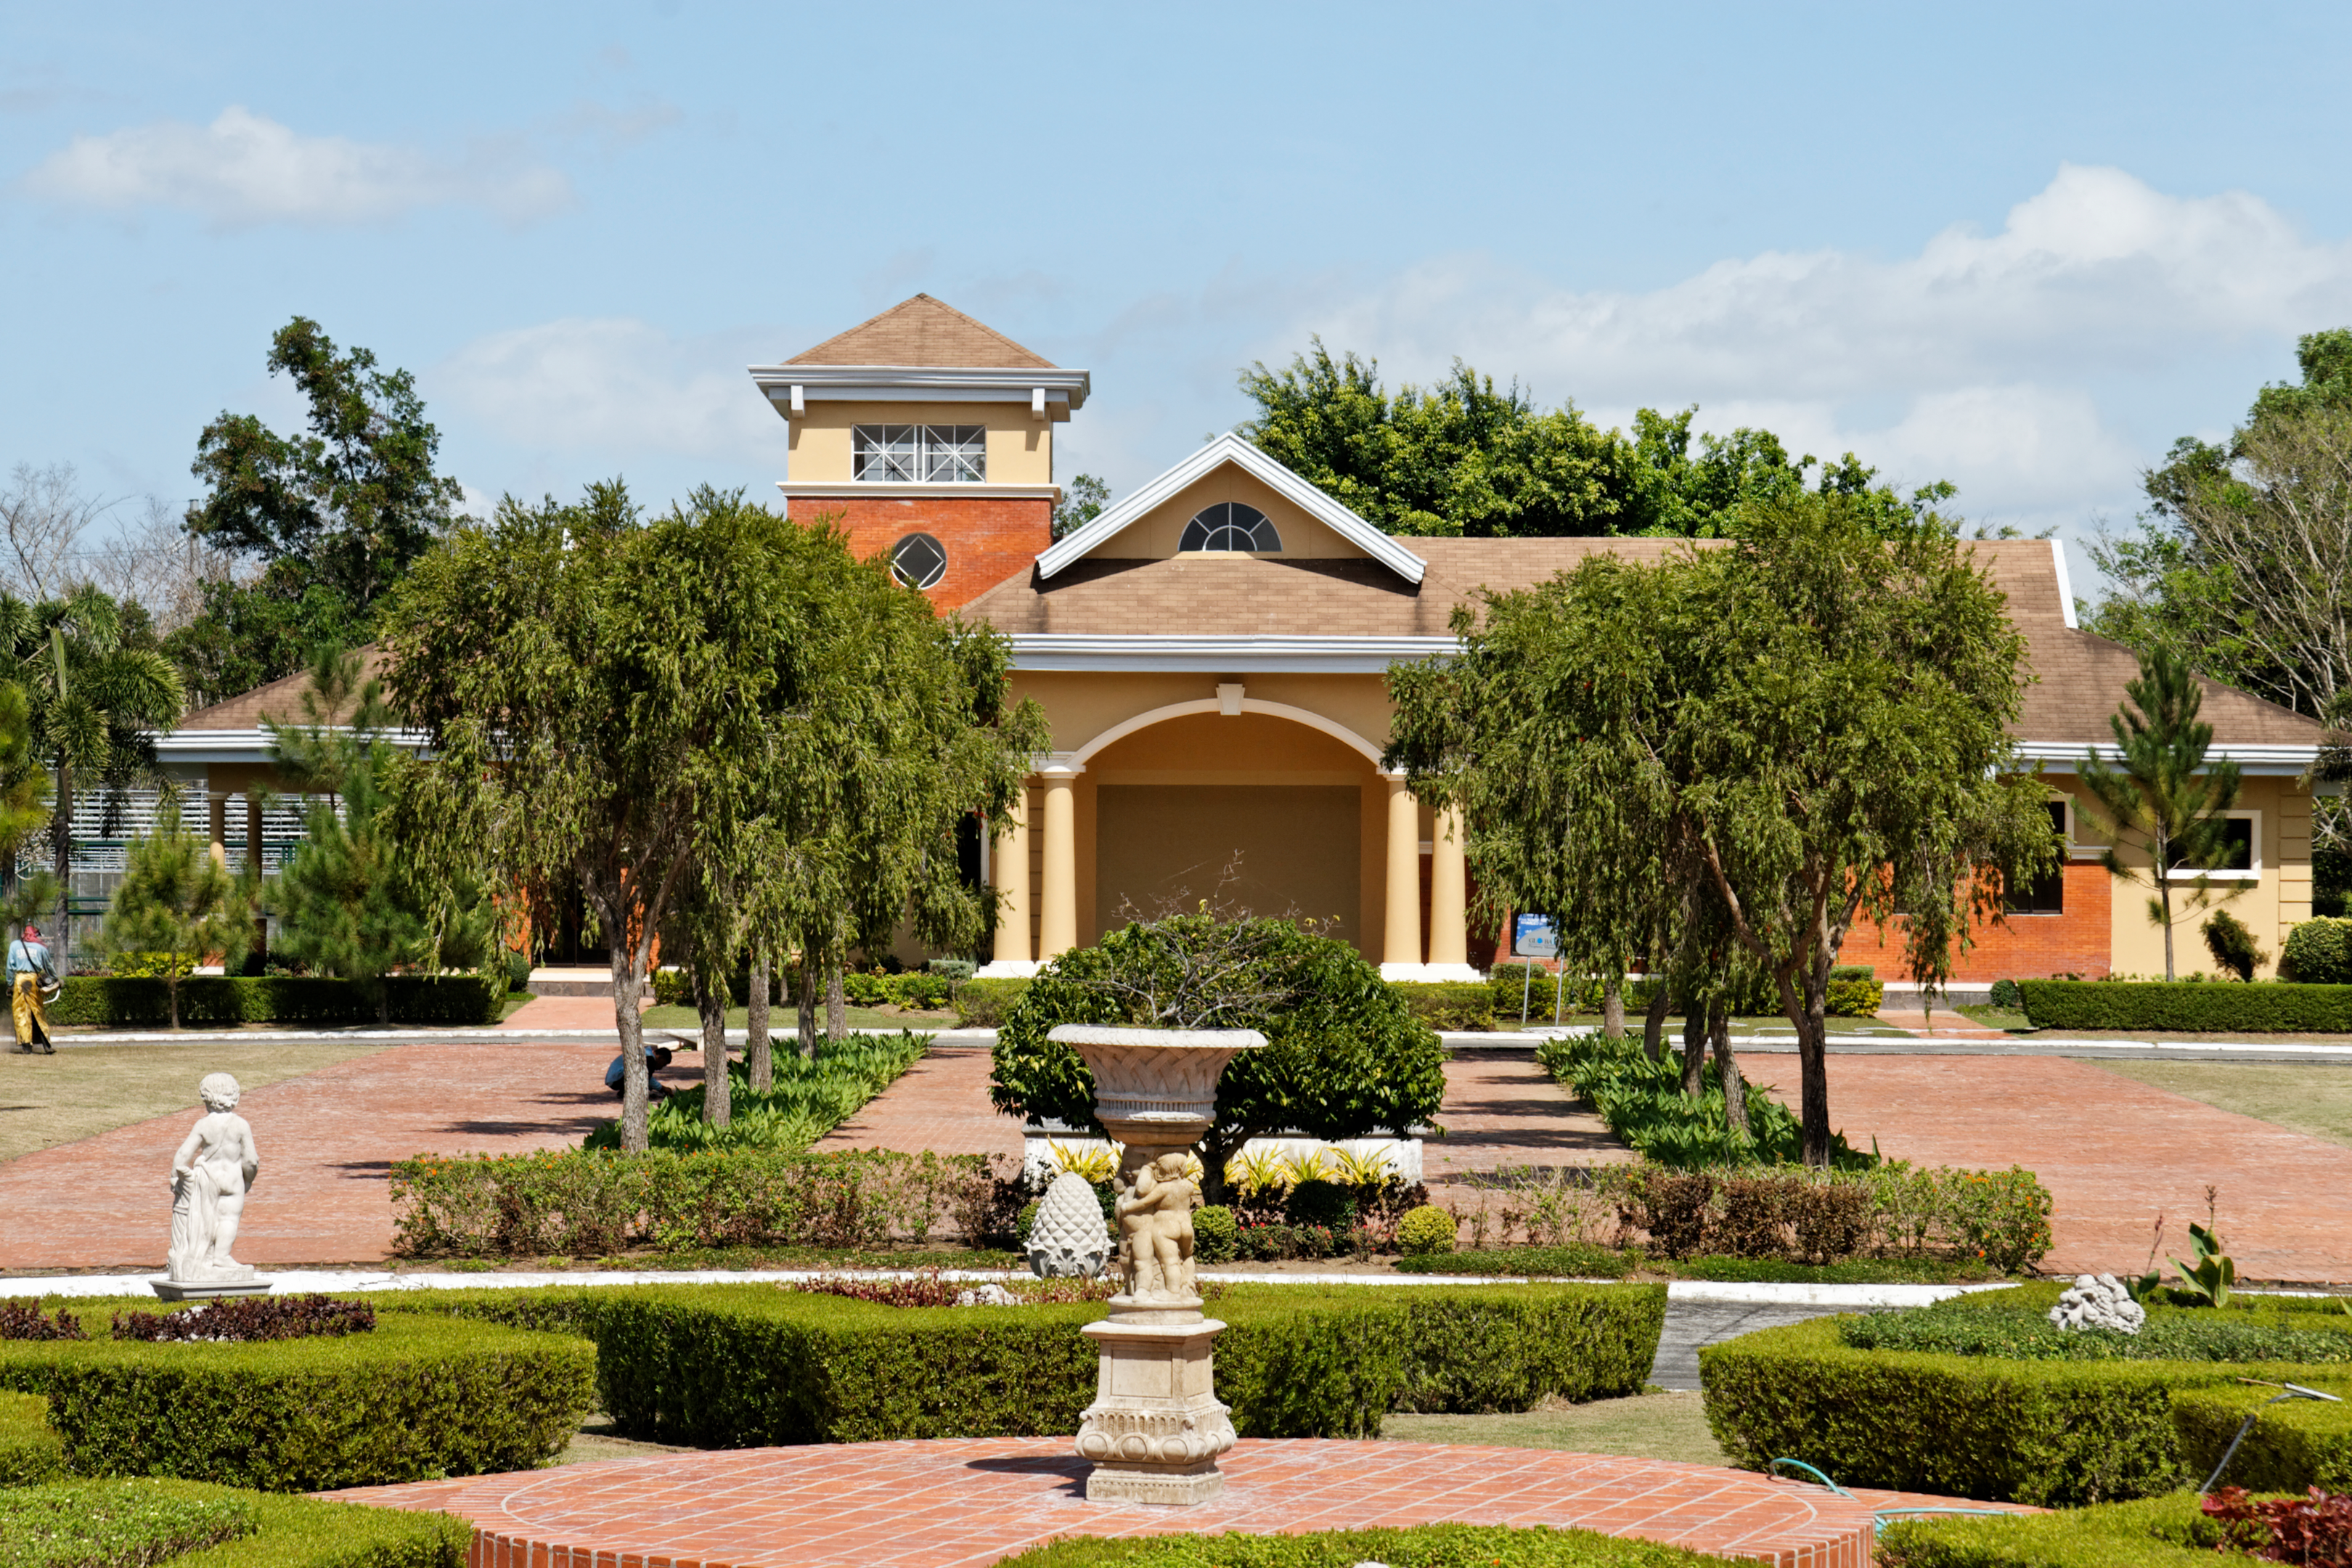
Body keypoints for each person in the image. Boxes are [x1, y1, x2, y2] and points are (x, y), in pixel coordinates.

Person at [168, 1072, 261, 1282]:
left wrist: (175, 1176)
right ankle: (220, 1257)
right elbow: (251, 1161)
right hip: (232, 1180)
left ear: (206, 1097)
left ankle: (204, 1256)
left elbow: (184, 1154)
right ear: (235, 1096)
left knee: (205, 1217)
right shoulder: (241, 1125)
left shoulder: (203, 1125)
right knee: (228, 1218)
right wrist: (248, 1181)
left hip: (208, 1179)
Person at [7, 922, 56, 1054]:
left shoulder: (15, 946)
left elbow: (10, 967)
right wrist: (56, 979)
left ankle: (26, 1046)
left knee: (21, 1013)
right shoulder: (41, 948)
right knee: (38, 1011)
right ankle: (47, 1045)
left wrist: (10, 984)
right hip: (34, 981)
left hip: (19, 981)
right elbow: (49, 967)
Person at [605, 1043, 674, 1102]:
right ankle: (630, 1093)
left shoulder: (647, 1054)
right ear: (660, 1057)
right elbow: (646, 1077)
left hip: (615, 1078)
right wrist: (662, 1088)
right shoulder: (649, 1059)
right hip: (617, 1079)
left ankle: (625, 1092)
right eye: (663, 1064)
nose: (661, 1068)